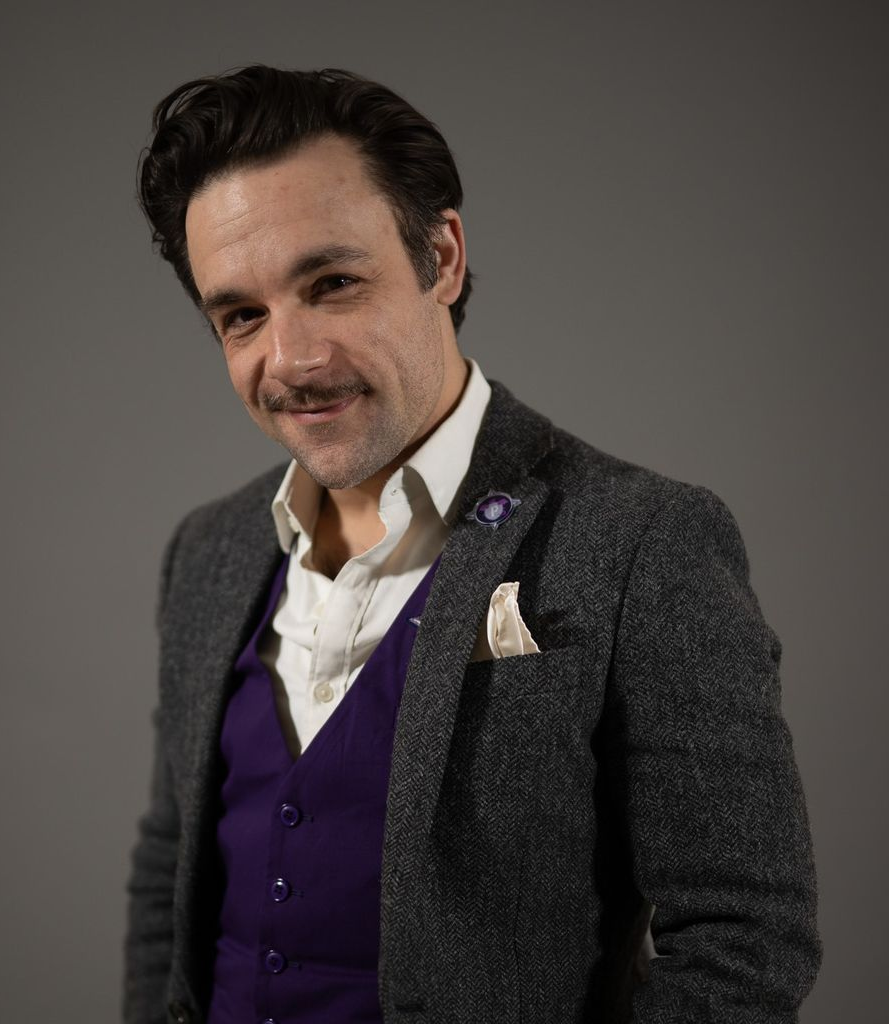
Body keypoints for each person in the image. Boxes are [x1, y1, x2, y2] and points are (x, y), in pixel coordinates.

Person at [123, 66, 820, 1024]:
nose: (292, 359)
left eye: (333, 283)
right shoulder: (206, 552)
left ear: (442, 257)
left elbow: (746, 937)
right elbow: (170, 874)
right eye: (242, 315)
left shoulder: (641, 540)